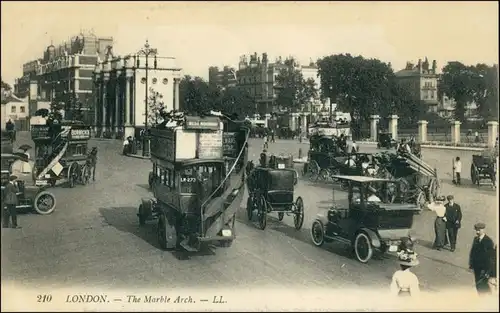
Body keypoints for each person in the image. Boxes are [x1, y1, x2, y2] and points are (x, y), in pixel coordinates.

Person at [469, 222, 495, 295]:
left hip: (484, 268)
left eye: (479, 230)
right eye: (476, 230)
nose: (477, 232)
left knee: (483, 284)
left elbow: (490, 257)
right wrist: (471, 264)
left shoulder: (488, 241)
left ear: (483, 230)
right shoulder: (476, 239)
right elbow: (473, 252)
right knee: (478, 284)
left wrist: (488, 270)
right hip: (477, 267)